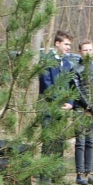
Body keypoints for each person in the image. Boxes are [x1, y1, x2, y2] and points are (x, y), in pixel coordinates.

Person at [38, 30, 78, 166]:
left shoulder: (67, 64)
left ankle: (57, 173)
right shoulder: (47, 61)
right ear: (57, 43)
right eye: (66, 44)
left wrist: (71, 103)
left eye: (70, 45)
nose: (68, 48)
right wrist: (60, 101)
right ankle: (45, 174)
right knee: (48, 140)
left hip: (63, 109)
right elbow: (47, 85)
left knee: (60, 140)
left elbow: (72, 85)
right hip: (49, 108)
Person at [73, 40, 93, 185]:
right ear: (80, 51)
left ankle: (89, 172)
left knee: (90, 142)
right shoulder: (75, 69)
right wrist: (88, 107)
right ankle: (79, 174)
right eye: (85, 50)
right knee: (80, 142)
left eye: (90, 50)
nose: (88, 53)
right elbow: (77, 91)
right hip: (80, 110)